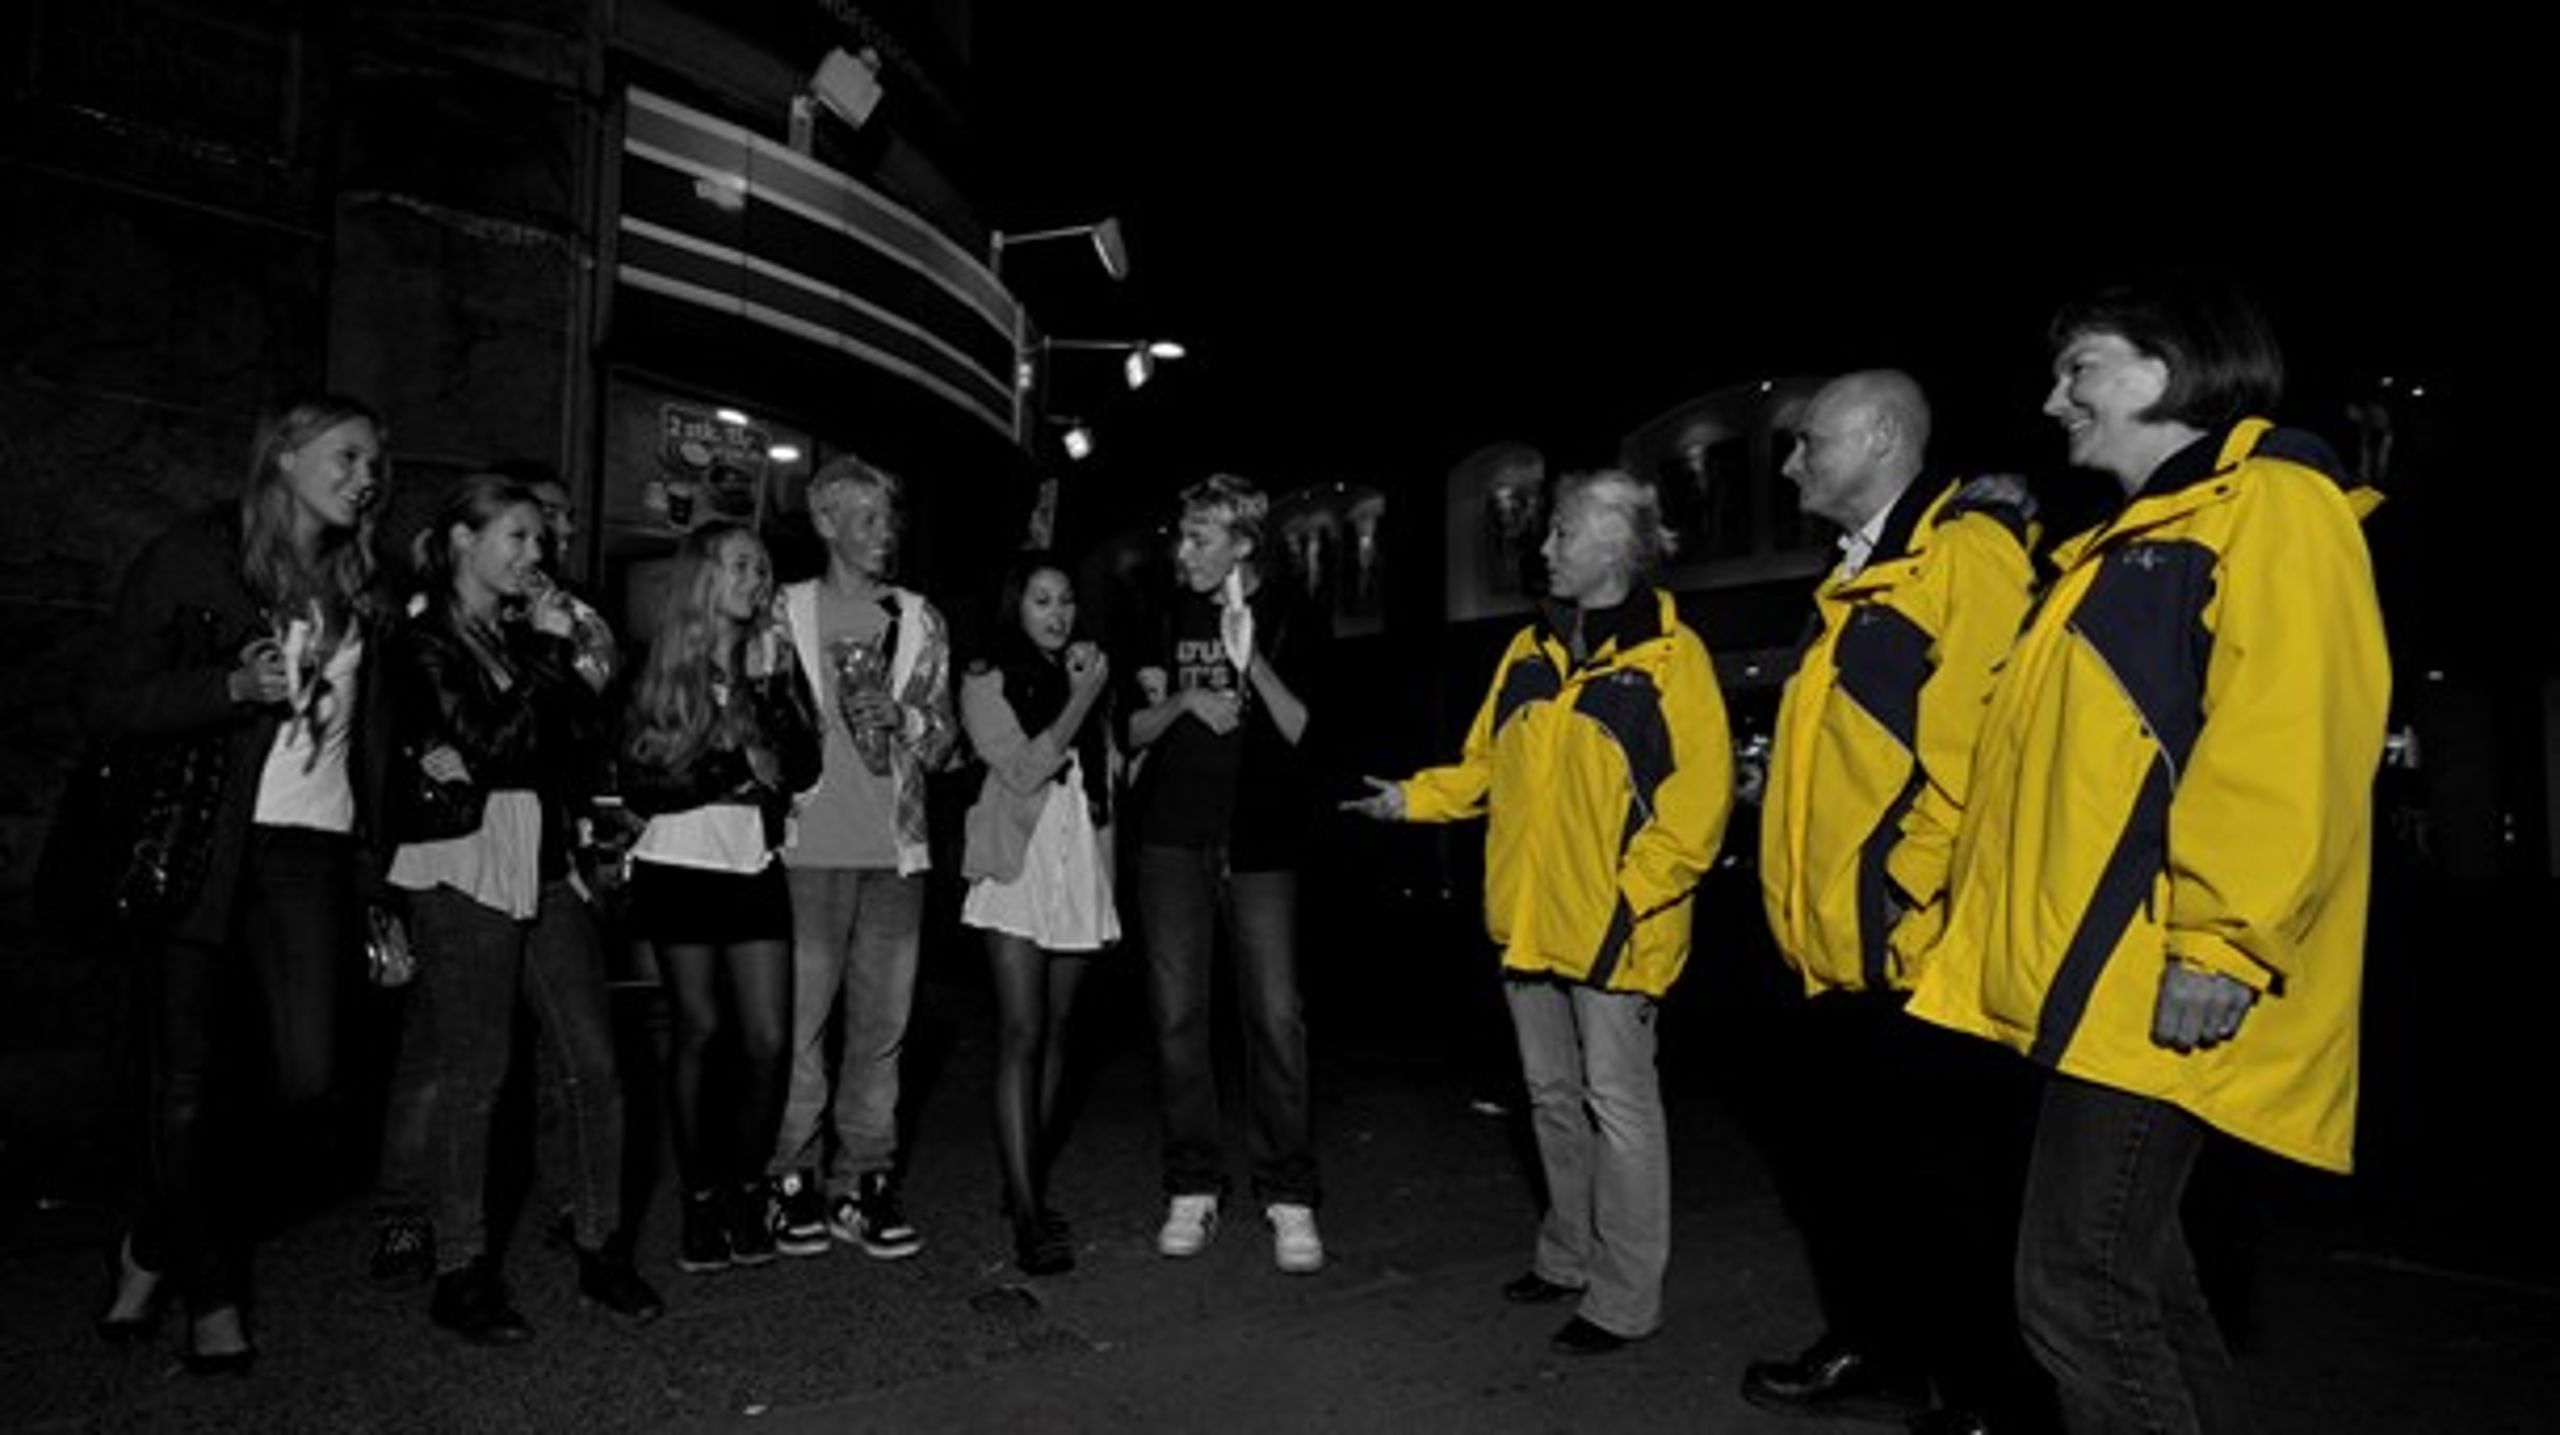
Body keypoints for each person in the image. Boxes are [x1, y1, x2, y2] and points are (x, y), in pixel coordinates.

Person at [1906, 277, 2390, 1433]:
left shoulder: (2270, 504)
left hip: (2153, 975)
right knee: (2139, 1287)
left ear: (2168, 368)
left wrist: (2220, 941)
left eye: (2080, 367)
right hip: (2101, 980)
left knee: (2074, 1292)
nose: (2052, 398)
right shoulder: (2118, 545)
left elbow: (2288, 738)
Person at [1345, 469, 1733, 1353]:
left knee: (1620, 1108)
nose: (1546, 547)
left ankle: (1625, 1299)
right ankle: (1567, 1255)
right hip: (1528, 920)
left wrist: (1627, 902)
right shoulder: (1529, 650)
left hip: (1616, 933)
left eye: (1563, 532)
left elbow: (1697, 813)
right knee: (1552, 1098)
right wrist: (1409, 799)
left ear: (1615, 545)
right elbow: (1485, 767)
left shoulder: (1672, 659)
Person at [1741, 372, 2048, 1432]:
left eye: (1808, 441)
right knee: (1851, 1179)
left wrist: (1901, 889)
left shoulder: (1965, 554)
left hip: (1910, 948)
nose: (1793, 464)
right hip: (1833, 945)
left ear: (1879, 436)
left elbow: (1980, 762)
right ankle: (1883, 1351)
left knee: (1950, 1190)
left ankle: (1990, 1399)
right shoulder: (1858, 571)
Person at [84, 393, 395, 1373]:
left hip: (313, 855)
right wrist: (227, 686)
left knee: (309, 1083)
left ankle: (155, 1239)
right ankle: (213, 1295)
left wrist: (378, 872)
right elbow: (107, 702)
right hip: (206, 846)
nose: (366, 478)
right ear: (285, 456)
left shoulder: (362, 582)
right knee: (183, 1088)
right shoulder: (195, 559)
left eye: (374, 463)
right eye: (348, 457)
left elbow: (374, 743)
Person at [385, 474, 660, 1342]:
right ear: (462, 539)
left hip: (542, 863)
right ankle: (460, 1269)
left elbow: (565, 742)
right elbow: (498, 742)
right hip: (463, 869)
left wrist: (548, 678)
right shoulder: (423, 641)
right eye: (517, 535)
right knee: (476, 1077)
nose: (536, 553)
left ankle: (601, 1247)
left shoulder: (515, 636)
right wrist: (542, 669)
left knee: (596, 1064)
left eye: (541, 538)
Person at [1124, 474, 1331, 1273]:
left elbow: (1306, 729)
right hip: (1171, 838)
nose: (1183, 552)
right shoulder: (1162, 610)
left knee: (1276, 1016)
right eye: (1182, 536)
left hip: (1261, 843)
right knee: (1177, 1016)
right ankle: (1193, 1184)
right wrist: (1183, 698)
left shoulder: (1291, 611)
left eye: (1199, 538)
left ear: (1243, 543)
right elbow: (1131, 729)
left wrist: (1252, 662)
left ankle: (1289, 1194)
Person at [765, 456, 957, 1259]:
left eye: (890, 518)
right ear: (826, 523)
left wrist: (906, 719)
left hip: (894, 852)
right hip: (805, 850)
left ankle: (863, 1182)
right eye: (868, 518)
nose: (885, 533)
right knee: (800, 1028)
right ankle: (789, 1176)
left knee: (881, 1031)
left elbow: (947, 744)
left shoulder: (919, 618)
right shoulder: (783, 611)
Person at [619, 522, 821, 1272]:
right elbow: (643, 785)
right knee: (699, 1029)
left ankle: (744, 1187)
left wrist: (783, 686)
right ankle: (700, 1199)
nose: (756, 580)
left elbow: (801, 769)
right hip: (678, 864)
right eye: (740, 565)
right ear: (705, 576)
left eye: (762, 569)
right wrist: (733, 769)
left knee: (767, 1038)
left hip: (751, 863)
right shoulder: (659, 666)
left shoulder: (768, 667)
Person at [957, 554, 1120, 1276]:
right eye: (1041, 600)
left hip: (1076, 856)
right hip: (1016, 864)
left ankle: (1025, 1175)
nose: (1057, 613)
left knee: (1058, 1031)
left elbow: (1103, 782)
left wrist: (1108, 885)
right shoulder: (984, 677)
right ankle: (1027, 1214)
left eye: (1065, 599)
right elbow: (1023, 769)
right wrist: (1082, 698)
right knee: (1021, 1030)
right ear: (1015, 606)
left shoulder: (1084, 670)